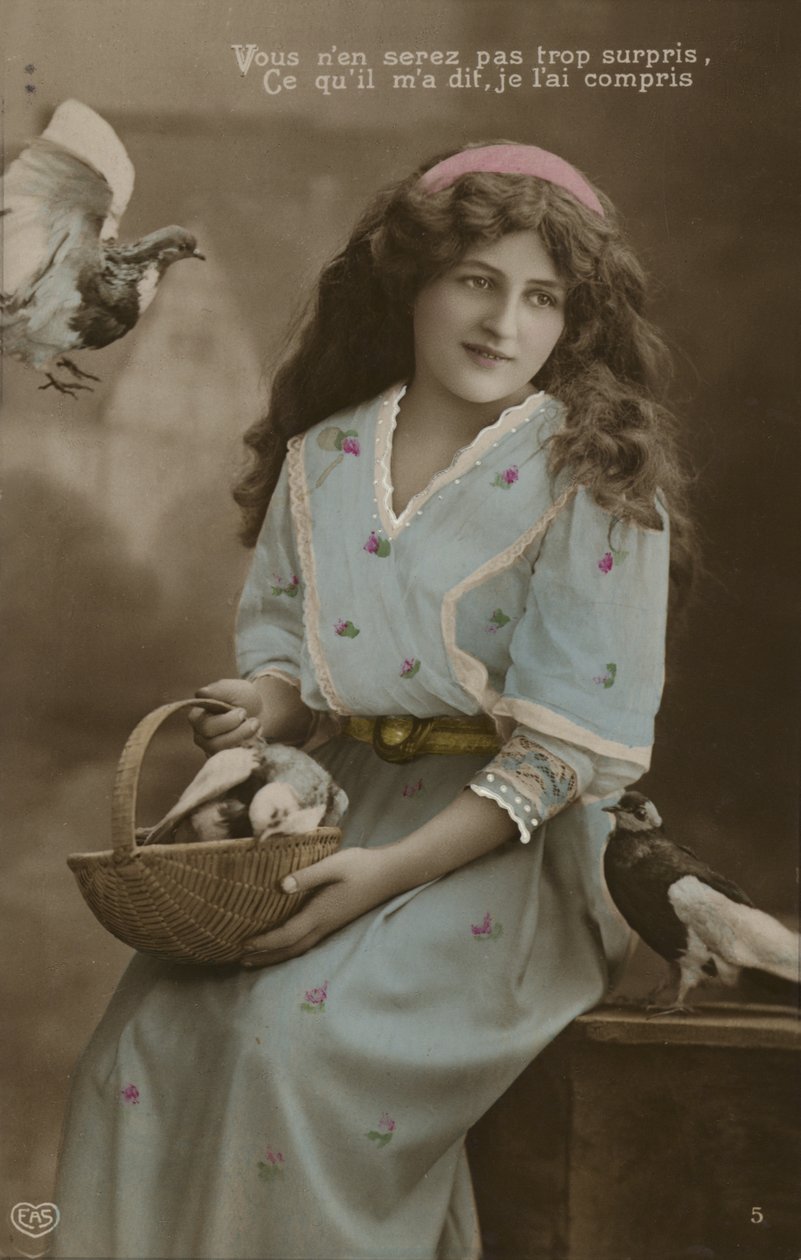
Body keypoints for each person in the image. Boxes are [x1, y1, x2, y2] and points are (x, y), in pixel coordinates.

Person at [53, 141, 694, 1259]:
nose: (505, 322)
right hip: (337, 810)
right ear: (416, 281)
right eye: (477, 282)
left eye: (542, 298)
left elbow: (561, 755)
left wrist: (384, 879)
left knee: (287, 1057)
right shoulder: (327, 457)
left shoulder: (592, 473)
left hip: (507, 843)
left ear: (575, 320)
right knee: (139, 1052)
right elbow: (298, 668)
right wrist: (264, 707)